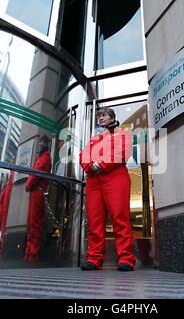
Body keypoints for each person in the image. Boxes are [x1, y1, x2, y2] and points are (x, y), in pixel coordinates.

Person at [79, 107, 136, 271]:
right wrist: (90, 166)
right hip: (94, 180)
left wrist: (101, 165)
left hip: (115, 177)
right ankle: (94, 258)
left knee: (120, 217)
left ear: (112, 118)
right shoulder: (94, 139)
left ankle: (126, 258)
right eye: (98, 116)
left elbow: (122, 152)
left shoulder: (123, 134)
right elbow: (84, 155)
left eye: (103, 115)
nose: (100, 118)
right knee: (95, 220)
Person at [24, 135, 52, 263]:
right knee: (31, 223)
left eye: (43, 142)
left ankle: (33, 254)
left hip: (37, 191)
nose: (40, 144)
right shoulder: (41, 157)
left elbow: (36, 173)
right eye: (40, 141)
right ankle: (29, 252)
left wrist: (28, 185)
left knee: (35, 224)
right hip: (35, 191)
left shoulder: (45, 157)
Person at [0, 171, 14, 260]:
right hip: (5, 191)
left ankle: (1, 253)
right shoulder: (5, 189)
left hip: (8, 189)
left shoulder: (8, 187)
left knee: (3, 226)